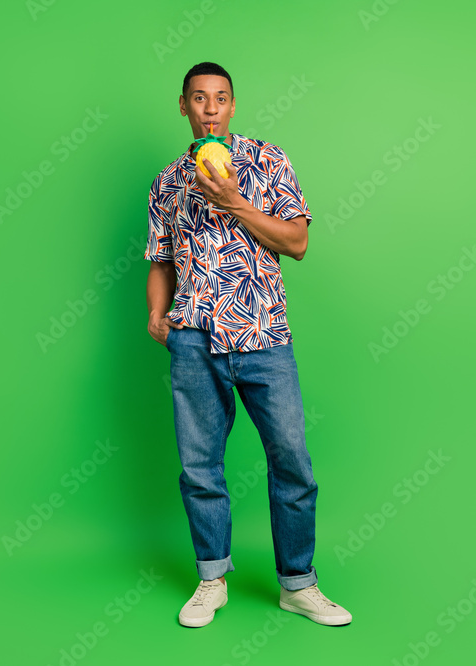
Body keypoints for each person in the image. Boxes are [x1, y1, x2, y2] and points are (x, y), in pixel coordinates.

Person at [144, 61, 351, 628]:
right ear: (183, 106)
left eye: (221, 98)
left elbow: (299, 242)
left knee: (291, 461)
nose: (210, 107)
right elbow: (160, 259)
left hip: (263, 336)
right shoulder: (167, 181)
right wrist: (157, 314)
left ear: (233, 106)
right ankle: (212, 580)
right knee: (200, 467)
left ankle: (298, 585)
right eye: (199, 98)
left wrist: (234, 199)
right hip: (193, 340)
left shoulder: (267, 160)